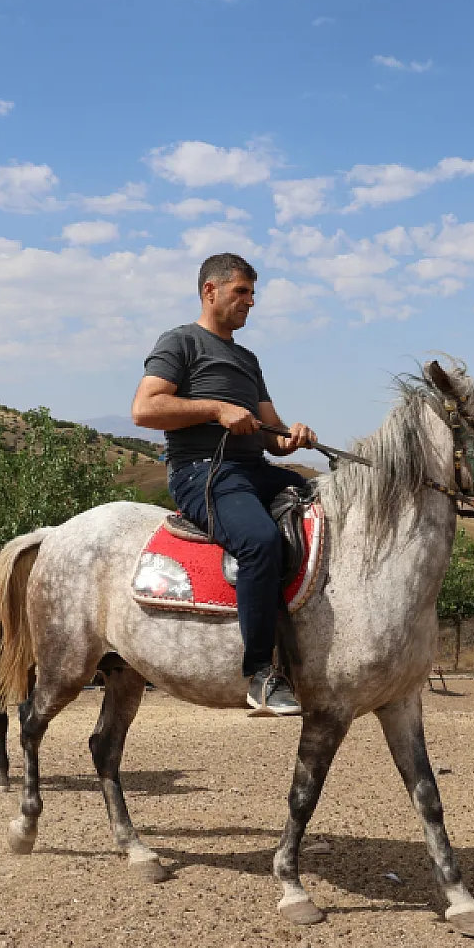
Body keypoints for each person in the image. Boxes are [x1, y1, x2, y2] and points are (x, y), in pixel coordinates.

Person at [131, 253, 315, 717]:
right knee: (259, 540)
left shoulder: (248, 359)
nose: (250, 302)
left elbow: (273, 436)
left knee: (322, 505)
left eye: (252, 294)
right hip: (203, 472)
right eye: (241, 292)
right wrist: (215, 409)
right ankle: (261, 675)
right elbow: (145, 409)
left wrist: (293, 436)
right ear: (210, 291)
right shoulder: (180, 342)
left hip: (255, 469)